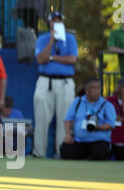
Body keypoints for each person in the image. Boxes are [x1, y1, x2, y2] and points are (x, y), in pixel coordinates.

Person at [32, 11, 78, 158]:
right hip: (46, 80)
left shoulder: (70, 39)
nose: (56, 23)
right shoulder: (43, 38)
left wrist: (52, 57)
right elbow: (40, 59)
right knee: (41, 117)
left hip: (65, 81)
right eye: (54, 21)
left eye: (59, 20)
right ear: (49, 23)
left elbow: (72, 59)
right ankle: (39, 152)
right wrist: (51, 41)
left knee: (64, 118)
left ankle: (61, 151)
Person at [60, 78, 116, 161]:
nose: (97, 91)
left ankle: (89, 158)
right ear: (86, 90)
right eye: (94, 88)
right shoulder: (77, 102)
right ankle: (86, 157)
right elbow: (68, 119)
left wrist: (98, 127)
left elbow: (111, 124)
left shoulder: (107, 105)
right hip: (79, 141)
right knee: (65, 150)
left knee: (101, 152)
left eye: (98, 88)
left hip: (99, 141)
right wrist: (68, 135)